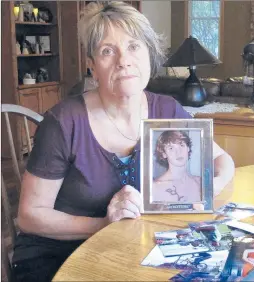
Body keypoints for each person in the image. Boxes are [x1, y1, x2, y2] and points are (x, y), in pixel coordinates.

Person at [12, 2, 235, 282]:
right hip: (60, 254)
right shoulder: (63, 122)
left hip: (135, 247)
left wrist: (205, 191)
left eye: (133, 46)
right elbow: (30, 216)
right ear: (92, 66)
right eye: (108, 51)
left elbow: (223, 161)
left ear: (149, 54)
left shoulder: (167, 110)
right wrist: (103, 224)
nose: (123, 60)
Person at [152, 130, 201, 202]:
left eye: (181, 145)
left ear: (188, 148)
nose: (178, 152)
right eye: (171, 148)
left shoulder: (200, 182)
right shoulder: (154, 187)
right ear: (164, 154)